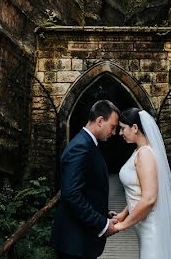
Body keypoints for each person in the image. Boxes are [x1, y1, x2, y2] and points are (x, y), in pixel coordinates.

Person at [111, 108, 171, 258]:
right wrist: (123, 213)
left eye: (122, 128)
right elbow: (138, 191)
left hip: (153, 230)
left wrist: (122, 225)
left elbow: (149, 198)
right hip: (143, 228)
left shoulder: (145, 155)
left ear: (135, 128)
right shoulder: (138, 151)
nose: (120, 133)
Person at [51, 100, 121, 258]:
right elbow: (71, 195)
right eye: (113, 126)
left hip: (82, 241)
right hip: (74, 243)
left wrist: (103, 212)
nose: (114, 132)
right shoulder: (80, 147)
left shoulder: (89, 144)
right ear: (100, 121)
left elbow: (87, 188)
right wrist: (102, 224)